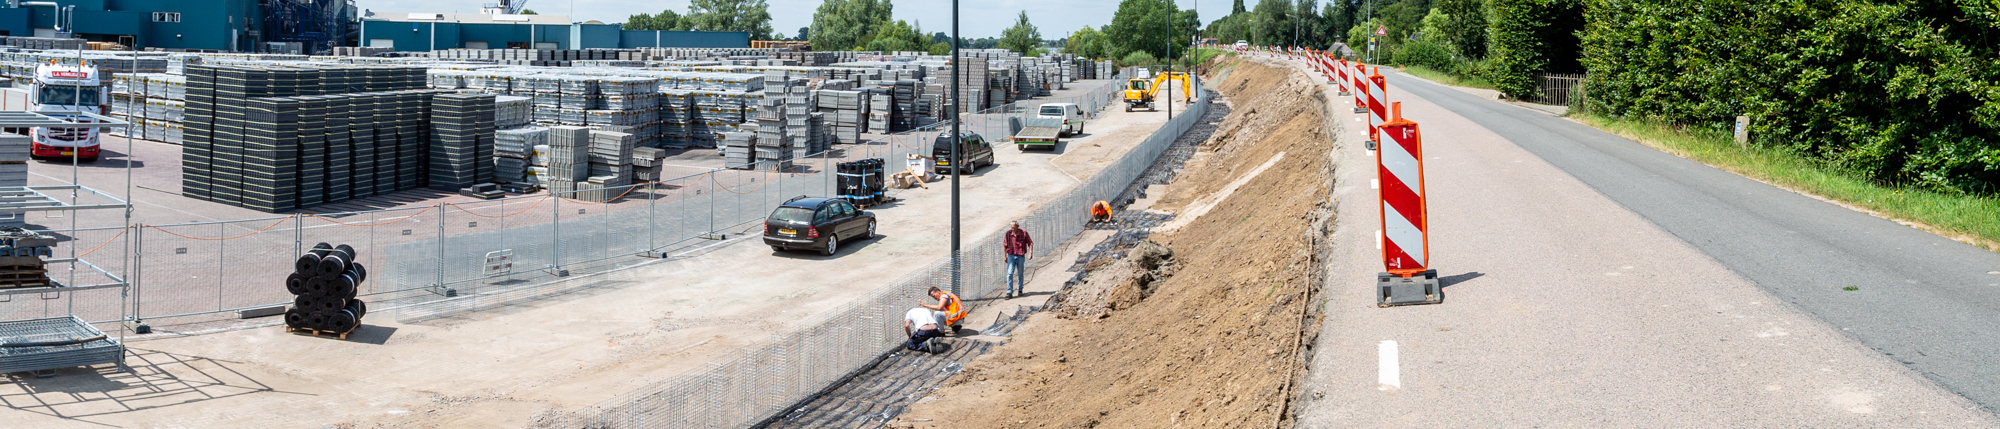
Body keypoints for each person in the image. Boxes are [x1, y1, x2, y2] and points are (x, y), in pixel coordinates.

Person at [1003, 221, 1033, 298]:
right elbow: (1005, 245)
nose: (1012, 229)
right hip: (1011, 256)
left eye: (1014, 227)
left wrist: (1030, 252)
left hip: (1020, 256)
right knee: (1010, 273)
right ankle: (1009, 292)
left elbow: (1030, 243)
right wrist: (1005, 256)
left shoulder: (1024, 233)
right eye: (1011, 228)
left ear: (1017, 226)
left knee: (1020, 273)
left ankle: (1020, 290)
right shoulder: (1008, 234)